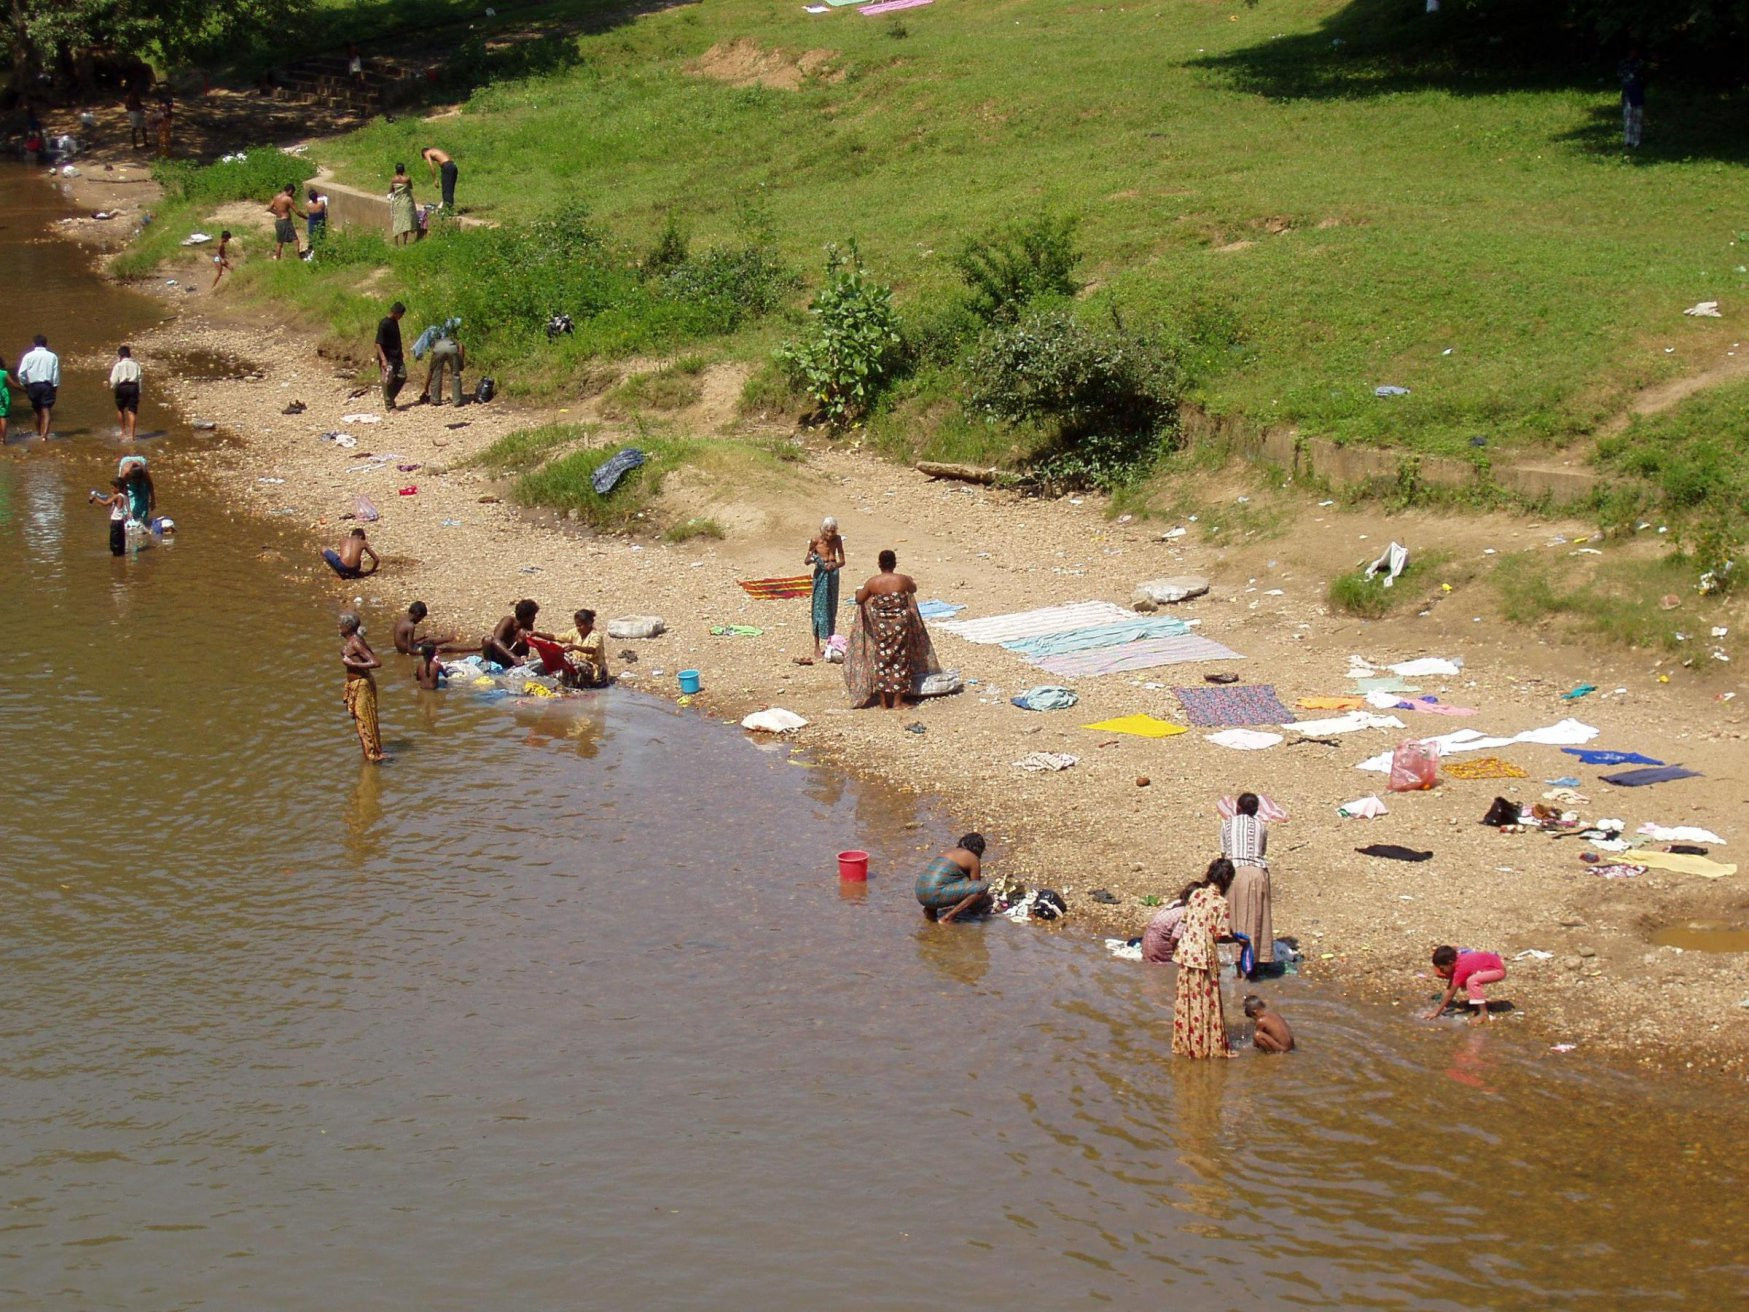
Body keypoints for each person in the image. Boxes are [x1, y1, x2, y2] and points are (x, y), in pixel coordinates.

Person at [845, 548, 940, 710]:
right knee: (900, 660)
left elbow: (859, 599)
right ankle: (897, 701)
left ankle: (883, 702)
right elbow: (913, 589)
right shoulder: (902, 580)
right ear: (895, 564)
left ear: (879, 564)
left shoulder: (873, 582)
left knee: (882, 660)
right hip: (899, 626)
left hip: (881, 627)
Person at [1172, 858, 1239, 1059]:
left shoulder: (1195, 894)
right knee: (1207, 1003)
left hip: (1186, 955)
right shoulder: (1221, 903)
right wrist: (1238, 939)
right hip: (1204, 958)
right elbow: (1220, 935)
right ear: (1227, 880)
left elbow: (1186, 921)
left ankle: (1185, 1045)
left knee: (1187, 1003)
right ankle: (1210, 1047)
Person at [1220, 792, 1273, 977]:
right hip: (1258, 873)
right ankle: (1255, 962)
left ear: (1238, 808)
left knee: (1235, 919)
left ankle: (1238, 968)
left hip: (1235, 872)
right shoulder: (1262, 826)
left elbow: (1224, 852)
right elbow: (1262, 851)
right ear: (1256, 810)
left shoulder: (1227, 824)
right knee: (1256, 918)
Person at [339, 612, 386, 763]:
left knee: (365, 721)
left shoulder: (355, 643)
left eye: (340, 624)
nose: (338, 627)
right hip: (357, 684)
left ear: (348, 627)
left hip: (362, 685)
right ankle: (370, 754)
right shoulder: (354, 640)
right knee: (362, 722)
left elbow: (376, 662)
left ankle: (373, 756)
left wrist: (353, 665)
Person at [916, 834, 993, 923]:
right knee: (982, 887)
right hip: (934, 893)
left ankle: (930, 911)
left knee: (943, 880)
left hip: (920, 892)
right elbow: (976, 885)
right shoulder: (973, 858)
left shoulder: (948, 852)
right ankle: (948, 918)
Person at [1427, 945, 1507, 1022]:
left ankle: (1483, 1013)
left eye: (1442, 968)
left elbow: (1451, 993)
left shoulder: (1461, 968)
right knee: (1464, 981)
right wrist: (1441, 1006)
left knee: (1471, 981)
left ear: (1450, 963)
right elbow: (1449, 988)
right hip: (1494, 965)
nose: (1441, 972)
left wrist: (1436, 1012)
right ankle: (1477, 1004)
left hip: (1498, 970)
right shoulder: (1458, 960)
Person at [806, 516, 844, 658]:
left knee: (831, 607)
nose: (830, 535)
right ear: (823, 530)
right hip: (820, 575)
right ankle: (816, 646)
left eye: (833, 532)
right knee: (818, 608)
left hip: (833, 575)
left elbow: (842, 560)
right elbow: (807, 559)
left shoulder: (837, 540)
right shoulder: (815, 541)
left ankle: (830, 642)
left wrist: (834, 565)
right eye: (828, 531)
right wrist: (812, 559)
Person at [1141, 881, 1202, 964]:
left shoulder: (1176, 903)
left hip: (1147, 944)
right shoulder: (1186, 913)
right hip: (1157, 951)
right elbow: (1174, 940)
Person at [411, 316, 465, 406]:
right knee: (455, 374)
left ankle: (435, 399)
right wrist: (461, 363)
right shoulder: (454, 323)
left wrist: (426, 388)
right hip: (451, 346)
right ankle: (457, 400)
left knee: (436, 373)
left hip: (438, 347)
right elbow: (461, 345)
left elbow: (419, 349)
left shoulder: (432, 329)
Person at [483, 598, 551, 668]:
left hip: (511, 658)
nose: (534, 618)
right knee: (487, 640)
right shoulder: (508, 621)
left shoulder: (528, 627)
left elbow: (525, 647)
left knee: (524, 634)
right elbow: (496, 640)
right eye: (533, 615)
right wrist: (513, 657)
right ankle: (486, 664)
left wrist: (524, 656)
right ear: (526, 616)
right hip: (499, 654)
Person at [17, 335, 59, 440]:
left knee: (37, 410)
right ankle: (44, 436)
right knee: (46, 410)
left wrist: (25, 384)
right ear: (46, 343)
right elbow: (55, 374)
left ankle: (39, 433)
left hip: (33, 385)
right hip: (47, 385)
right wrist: (55, 387)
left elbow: (21, 373)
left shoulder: (28, 356)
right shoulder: (52, 356)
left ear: (33, 344)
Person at [557, 608, 610, 687]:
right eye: (576, 625)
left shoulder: (596, 636)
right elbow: (557, 637)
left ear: (589, 624)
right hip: (583, 668)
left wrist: (575, 647)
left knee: (576, 666)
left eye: (580, 625)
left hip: (595, 673)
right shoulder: (575, 632)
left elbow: (592, 650)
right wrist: (537, 634)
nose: (578, 628)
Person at [392, 600, 462, 655]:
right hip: (408, 651)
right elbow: (410, 650)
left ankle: (450, 639)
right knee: (444, 649)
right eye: (420, 619)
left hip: (402, 650)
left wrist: (421, 638)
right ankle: (471, 649)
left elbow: (405, 641)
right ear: (418, 615)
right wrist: (427, 654)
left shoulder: (402, 620)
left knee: (428, 641)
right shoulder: (411, 626)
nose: (419, 621)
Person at [375, 302, 407, 411]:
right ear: (395, 313)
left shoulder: (395, 322)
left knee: (402, 376)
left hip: (397, 356)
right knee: (388, 381)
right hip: (387, 358)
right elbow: (378, 343)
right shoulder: (384, 323)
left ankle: (390, 397)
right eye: (400, 315)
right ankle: (390, 406)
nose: (401, 317)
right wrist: (383, 359)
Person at [89, 478, 132, 556]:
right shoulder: (124, 496)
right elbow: (111, 504)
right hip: (121, 522)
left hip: (116, 522)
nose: (111, 489)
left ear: (118, 488)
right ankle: (121, 557)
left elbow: (105, 503)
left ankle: (116, 559)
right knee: (120, 540)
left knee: (114, 542)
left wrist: (95, 498)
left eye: (112, 487)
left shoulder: (117, 496)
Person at [109, 345, 142, 441]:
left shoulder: (118, 365)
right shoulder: (136, 365)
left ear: (120, 355)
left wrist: (113, 388)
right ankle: (132, 436)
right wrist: (139, 391)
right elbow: (139, 378)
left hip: (122, 387)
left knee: (120, 409)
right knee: (132, 411)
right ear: (129, 354)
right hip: (133, 387)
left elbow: (114, 380)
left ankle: (123, 432)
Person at [1619, 48, 1647, 150]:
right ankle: (1628, 141)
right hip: (1627, 94)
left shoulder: (1641, 64)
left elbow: (1644, 79)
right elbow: (1622, 77)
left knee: (1637, 118)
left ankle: (1637, 141)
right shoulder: (1624, 64)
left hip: (1638, 93)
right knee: (1628, 118)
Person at [267, 184, 299, 260]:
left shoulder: (276, 197)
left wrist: (278, 213)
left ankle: (278, 259)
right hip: (285, 222)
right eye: (292, 192)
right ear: (290, 191)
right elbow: (297, 211)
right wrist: (306, 217)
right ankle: (298, 258)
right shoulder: (288, 199)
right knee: (296, 241)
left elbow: (269, 208)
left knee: (279, 243)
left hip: (278, 221)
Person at [120, 456, 154, 524]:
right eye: (135, 480)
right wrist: (129, 511)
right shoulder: (125, 474)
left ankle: (143, 519)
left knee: (144, 497)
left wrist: (153, 500)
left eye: (139, 480)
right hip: (125, 461)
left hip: (140, 460)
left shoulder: (144, 472)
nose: (137, 482)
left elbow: (150, 484)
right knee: (126, 503)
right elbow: (124, 493)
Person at [389, 164, 416, 246]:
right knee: (406, 222)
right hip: (406, 202)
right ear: (404, 170)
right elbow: (411, 187)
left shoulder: (393, 180)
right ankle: (404, 242)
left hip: (398, 202)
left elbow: (391, 190)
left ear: (396, 170)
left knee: (397, 221)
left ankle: (396, 243)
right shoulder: (407, 179)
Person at [0, 353, 11, 444]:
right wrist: (24, 390)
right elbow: (13, 384)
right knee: (3, 417)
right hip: (3, 397)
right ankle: (2, 439)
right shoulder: (4, 373)